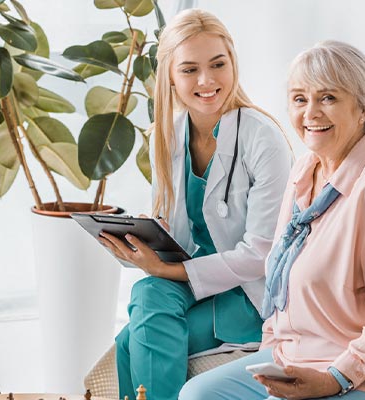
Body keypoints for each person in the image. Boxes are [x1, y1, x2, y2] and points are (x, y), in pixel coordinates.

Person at [179, 40, 365, 400]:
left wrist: (334, 378)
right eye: (299, 99)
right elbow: (282, 281)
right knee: (197, 396)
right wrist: (276, 353)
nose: (311, 112)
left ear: (362, 107)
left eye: (328, 98)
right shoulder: (303, 173)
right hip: (304, 356)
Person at [97, 9, 293, 400]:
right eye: (189, 70)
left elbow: (259, 256)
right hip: (190, 275)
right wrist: (139, 240)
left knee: (131, 340)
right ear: (170, 75)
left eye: (217, 64)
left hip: (247, 292)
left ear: (232, 63)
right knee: (146, 296)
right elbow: (173, 226)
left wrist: (167, 270)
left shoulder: (263, 141)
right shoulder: (167, 135)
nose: (207, 81)